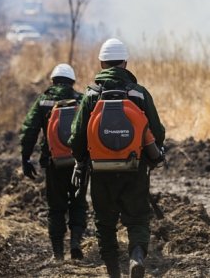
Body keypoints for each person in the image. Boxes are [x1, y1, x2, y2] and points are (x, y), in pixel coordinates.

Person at [68, 38, 165, 278]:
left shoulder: (91, 95)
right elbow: (157, 131)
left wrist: (81, 161)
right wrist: (152, 155)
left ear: (102, 63)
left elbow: (77, 135)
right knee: (138, 219)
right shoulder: (139, 93)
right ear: (125, 63)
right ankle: (136, 258)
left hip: (100, 170)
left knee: (105, 224)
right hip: (135, 168)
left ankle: (113, 272)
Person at [20, 63, 87, 261]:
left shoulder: (43, 101)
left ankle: (58, 254)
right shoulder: (81, 100)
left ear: (53, 81)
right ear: (72, 82)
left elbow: (29, 131)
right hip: (78, 163)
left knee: (56, 207)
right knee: (78, 203)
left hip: (53, 162)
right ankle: (75, 243)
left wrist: (26, 158)